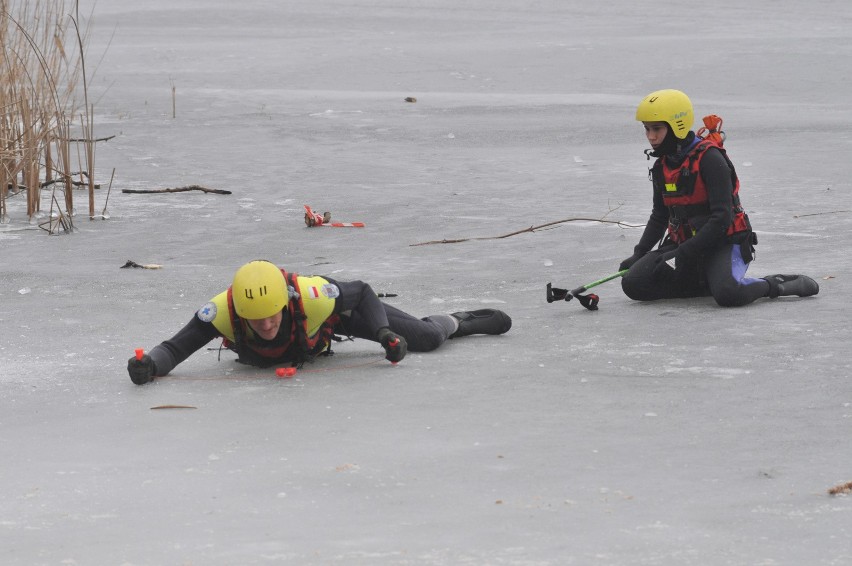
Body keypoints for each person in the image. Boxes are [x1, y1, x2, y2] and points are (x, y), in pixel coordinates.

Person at [127, 260, 512, 384]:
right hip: (306, 331)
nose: (264, 325)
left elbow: (361, 291)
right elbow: (175, 348)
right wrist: (148, 366)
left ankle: (458, 321)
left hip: (327, 319)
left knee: (426, 337)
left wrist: (383, 334)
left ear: (285, 302)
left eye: (271, 316)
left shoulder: (311, 296)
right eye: (255, 320)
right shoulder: (223, 312)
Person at [618, 89, 819, 307]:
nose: (651, 136)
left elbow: (722, 218)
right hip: (685, 245)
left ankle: (774, 284)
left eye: (657, 129)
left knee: (728, 294)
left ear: (678, 125)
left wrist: (684, 252)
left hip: (723, 241)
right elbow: (660, 215)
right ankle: (705, 281)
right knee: (634, 283)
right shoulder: (662, 165)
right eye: (646, 129)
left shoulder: (710, 159)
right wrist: (640, 254)